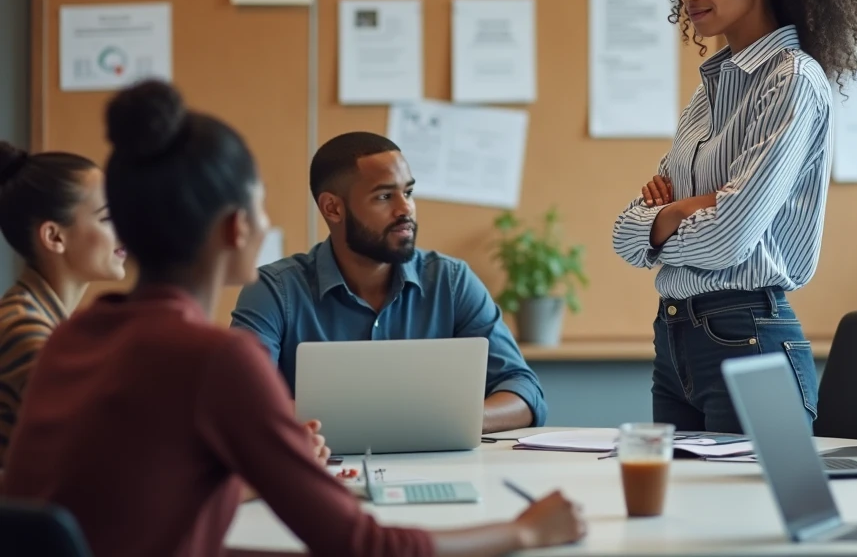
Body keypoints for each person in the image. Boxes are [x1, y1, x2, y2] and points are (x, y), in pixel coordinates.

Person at [0, 81, 585, 557]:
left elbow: (146, 508)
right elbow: (359, 543)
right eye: (259, 203)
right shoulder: (214, 358)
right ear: (235, 228)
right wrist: (528, 532)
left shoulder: (78, 335)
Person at [611, 0, 857, 432]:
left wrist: (671, 210)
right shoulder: (709, 92)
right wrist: (688, 208)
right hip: (675, 339)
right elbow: (625, 235)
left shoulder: (793, 80)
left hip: (747, 336)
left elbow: (731, 237)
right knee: (678, 520)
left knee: (749, 519)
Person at [232, 132, 545, 433]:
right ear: (333, 208)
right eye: (384, 196)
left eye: (407, 193)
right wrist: (374, 422)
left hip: (438, 470)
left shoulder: (451, 281)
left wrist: (455, 420)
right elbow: (241, 401)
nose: (404, 209)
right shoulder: (273, 291)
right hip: (324, 470)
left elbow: (524, 391)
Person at [0, 142, 126, 467]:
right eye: (109, 217)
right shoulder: (24, 328)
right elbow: (93, 454)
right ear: (54, 237)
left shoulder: (49, 321)